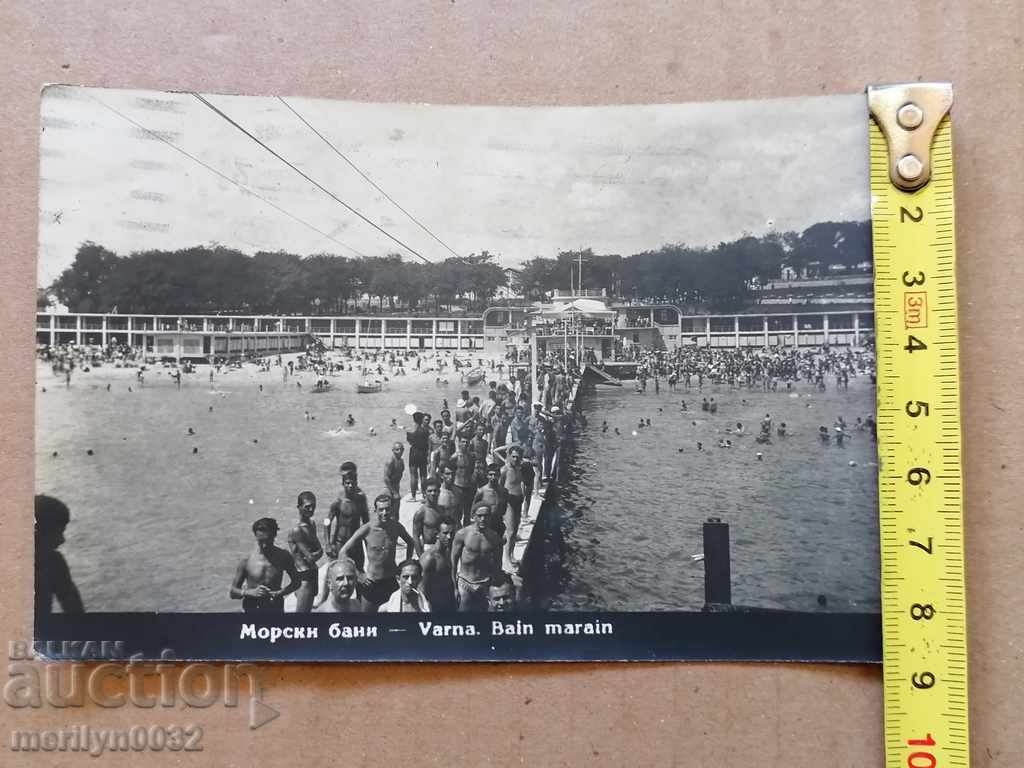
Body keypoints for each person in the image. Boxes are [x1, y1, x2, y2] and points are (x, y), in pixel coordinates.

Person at [339, 494, 418, 609]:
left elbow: (410, 542)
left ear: (391, 509)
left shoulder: (396, 527)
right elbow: (343, 552)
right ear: (375, 510)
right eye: (381, 509)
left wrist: (405, 565)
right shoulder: (367, 529)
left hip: (391, 581)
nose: (385, 513)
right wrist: (358, 574)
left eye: (387, 509)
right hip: (371, 582)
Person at [229, 518, 301, 614]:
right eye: (261, 541)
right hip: (252, 608)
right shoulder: (246, 560)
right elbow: (233, 592)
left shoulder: (283, 556)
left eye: (268, 541)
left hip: (275, 607)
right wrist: (250, 592)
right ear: (255, 536)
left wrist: (280, 592)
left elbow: (297, 582)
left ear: (274, 535)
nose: (264, 545)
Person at [34, 494, 84, 615]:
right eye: (57, 532)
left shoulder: (55, 563)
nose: (62, 540)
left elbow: (76, 613)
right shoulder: (54, 563)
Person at [451, 504, 502, 612]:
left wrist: (495, 585)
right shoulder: (462, 534)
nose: (483, 519)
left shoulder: (494, 537)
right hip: (465, 582)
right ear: (473, 516)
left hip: (485, 583)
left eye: (486, 516)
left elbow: (498, 564)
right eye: (479, 515)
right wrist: (454, 587)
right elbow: (453, 562)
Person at [287, 491, 324, 613]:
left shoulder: (311, 524)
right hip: (304, 577)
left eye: (313, 506)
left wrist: (318, 552)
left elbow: (317, 551)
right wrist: (319, 552)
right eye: (307, 506)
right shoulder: (297, 530)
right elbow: (311, 557)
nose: (311, 509)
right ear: (299, 507)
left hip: (313, 573)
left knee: (308, 611)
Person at [420, 520, 456, 611]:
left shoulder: (448, 551)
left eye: (452, 533)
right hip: (435, 605)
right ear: (437, 534)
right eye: (445, 533)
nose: (449, 537)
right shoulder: (429, 558)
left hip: (450, 601)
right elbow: (422, 589)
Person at [500, 446, 526, 565]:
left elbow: (521, 484)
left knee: (515, 530)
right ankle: (507, 558)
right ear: (509, 456)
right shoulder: (504, 470)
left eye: (518, 457)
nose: (515, 459)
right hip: (509, 502)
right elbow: (500, 487)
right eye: (513, 456)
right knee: (510, 531)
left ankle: (512, 554)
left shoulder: (520, 468)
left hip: (518, 500)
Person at [406, 412, 430, 501]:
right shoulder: (425, 431)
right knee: (423, 475)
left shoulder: (410, 430)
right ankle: (424, 495)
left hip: (414, 452)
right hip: (423, 452)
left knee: (413, 475)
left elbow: (410, 442)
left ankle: (413, 496)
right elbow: (427, 443)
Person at [383, 442, 405, 517]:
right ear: (393, 450)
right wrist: (394, 492)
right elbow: (386, 478)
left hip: (396, 487)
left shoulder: (401, 461)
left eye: (401, 449)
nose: (400, 451)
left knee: (396, 514)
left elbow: (400, 474)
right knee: (388, 513)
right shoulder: (390, 462)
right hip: (389, 488)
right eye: (397, 449)